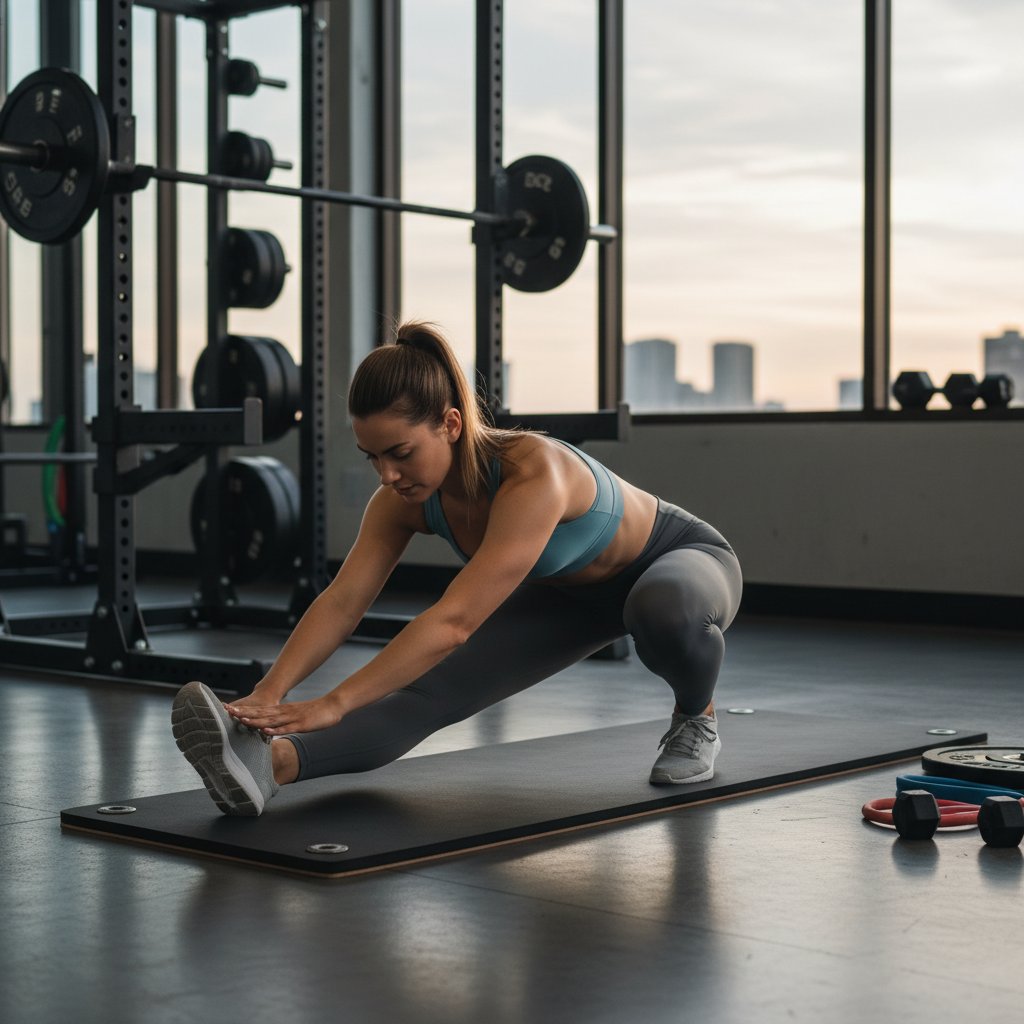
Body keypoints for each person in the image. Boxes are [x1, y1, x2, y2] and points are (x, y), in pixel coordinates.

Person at [171, 321, 743, 816]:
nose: (387, 476)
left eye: (400, 453)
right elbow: (343, 600)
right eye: (373, 458)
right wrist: (268, 695)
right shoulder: (400, 502)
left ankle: (697, 718)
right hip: (567, 598)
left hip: (675, 561)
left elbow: (453, 623)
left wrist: (333, 702)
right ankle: (269, 766)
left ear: (449, 423)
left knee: (664, 610)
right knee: (425, 697)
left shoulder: (532, 472)